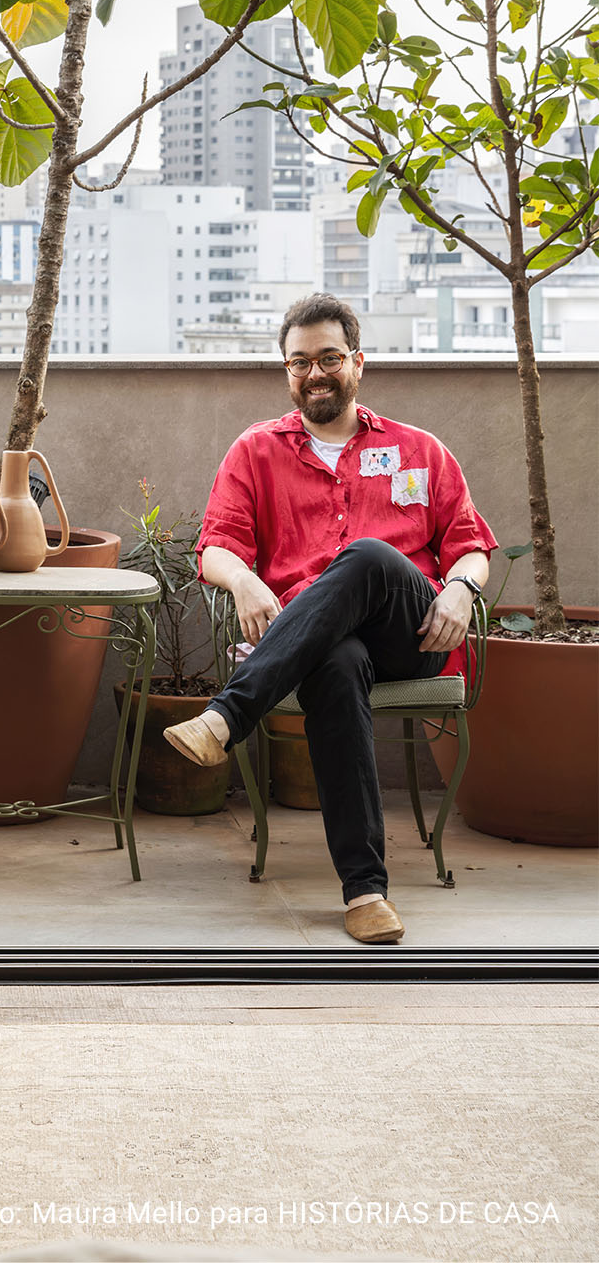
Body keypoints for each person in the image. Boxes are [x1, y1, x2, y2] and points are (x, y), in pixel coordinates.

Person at [163, 293, 495, 944]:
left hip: (414, 633)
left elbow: (472, 546)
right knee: (336, 662)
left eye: (330, 358)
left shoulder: (417, 450)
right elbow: (218, 549)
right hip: (314, 644)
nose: (315, 373)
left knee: (369, 557)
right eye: (299, 362)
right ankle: (366, 893)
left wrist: (459, 588)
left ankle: (227, 715)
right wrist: (245, 579)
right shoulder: (256, 452)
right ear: (287, 372)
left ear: (358, 363)